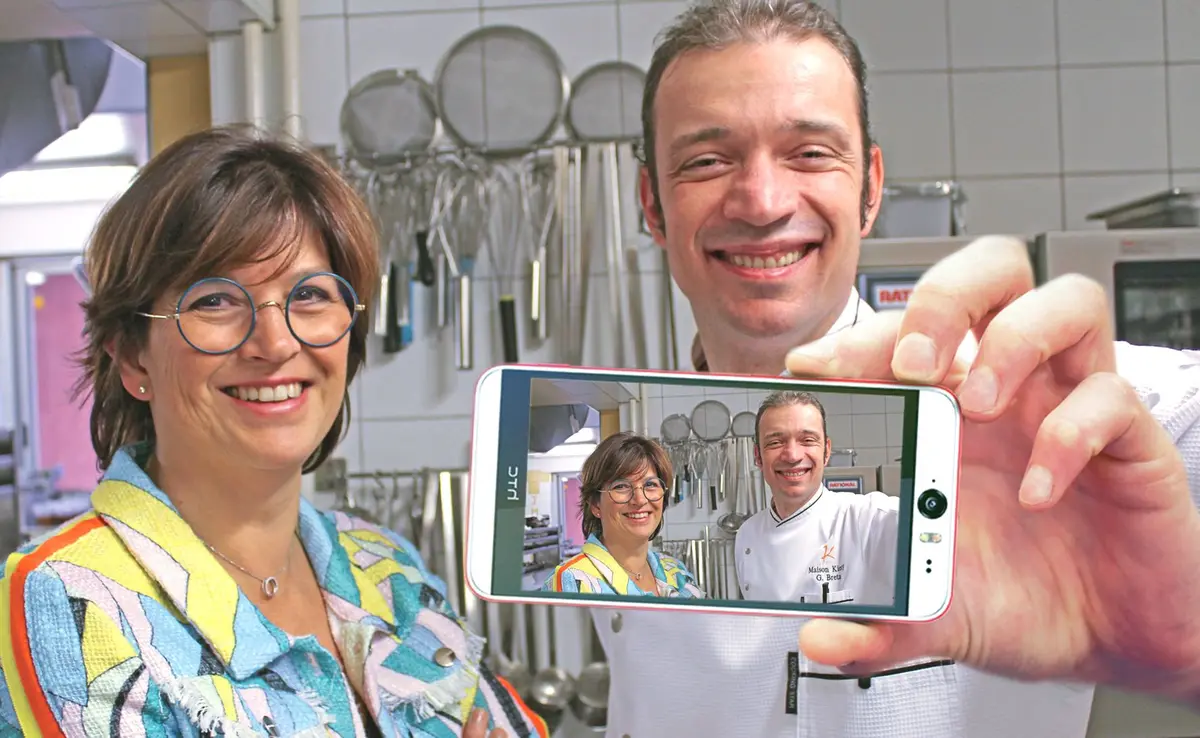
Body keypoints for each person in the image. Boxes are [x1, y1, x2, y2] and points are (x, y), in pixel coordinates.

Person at [582, 0, 1200, 736]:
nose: (763, 201)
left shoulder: (1042, 415)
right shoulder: (632, 475)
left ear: (870, 187)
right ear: (652, 203)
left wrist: (1184, 654)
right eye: (708, 161)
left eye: (809, 151)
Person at [0, 126, 544, 738]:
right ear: (132, 357)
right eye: (214, 301)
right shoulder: (69, 600)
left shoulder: (388, 570)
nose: (277, 343)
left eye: (309, 294)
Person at [734, 390, 899, 607]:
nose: (792, 455)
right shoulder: (747, 534)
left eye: (807, 440)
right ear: (757, 456)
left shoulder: (869, 519)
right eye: (775, 442)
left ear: (827, 451)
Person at [541, 432, 703, 598]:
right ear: (596, 504)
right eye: (621, 486)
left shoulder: (677, 572)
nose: (639, 500)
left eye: (650, 484)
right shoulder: (571, 583)